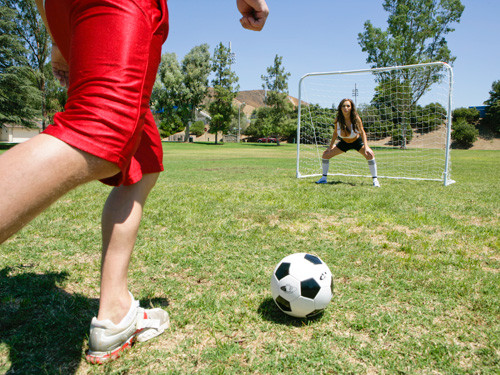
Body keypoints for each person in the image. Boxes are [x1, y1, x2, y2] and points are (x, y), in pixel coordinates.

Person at [0, 0, 269, 364]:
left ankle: (114, 312)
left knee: (143, 159)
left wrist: (57, 40)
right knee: (100, 130)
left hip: (61, 10)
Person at [316, 98, 380, 187]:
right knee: (325, 155)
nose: (346, 108)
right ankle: (323, 179)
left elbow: (362, 132)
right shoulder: (338, 119)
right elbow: (335, 133)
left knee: (370, 155)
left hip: (356, 142)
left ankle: (375, 180)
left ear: (351, 108)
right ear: (341, 108)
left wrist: (366, 147)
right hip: (344, 143)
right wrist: (330, 147)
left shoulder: (356, 118)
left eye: (348, 106)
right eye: (344, 106)